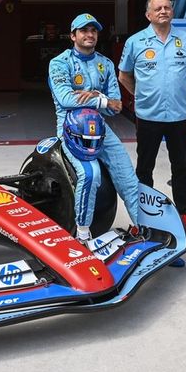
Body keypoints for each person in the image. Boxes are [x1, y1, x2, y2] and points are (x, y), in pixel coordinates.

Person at [48, 13, 141, 243]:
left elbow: (117, 106)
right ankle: (82, 234)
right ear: (73, 36)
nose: (90, 35)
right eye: (84, 30)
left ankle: (143, 228)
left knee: (128, 177)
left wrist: (97, 97)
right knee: (90, 174)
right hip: (71, 129)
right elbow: (66, 99)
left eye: (94, 31)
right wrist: (101, 100)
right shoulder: (59, 63)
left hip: (100, 129)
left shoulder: (106, 64)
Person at [118, 0, 186, 234]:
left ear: (172, 12)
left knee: (181, 166)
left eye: (167, 7)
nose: (163, 11)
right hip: (148, 116)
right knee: (145, 167)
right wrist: (143, 95)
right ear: (148, 15)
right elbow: (124, 76)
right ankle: (144, 216)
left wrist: (175, 92)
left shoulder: (185, 40)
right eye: (158, 8)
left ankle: (184, 214)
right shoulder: (136, 42)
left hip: (178, 116)